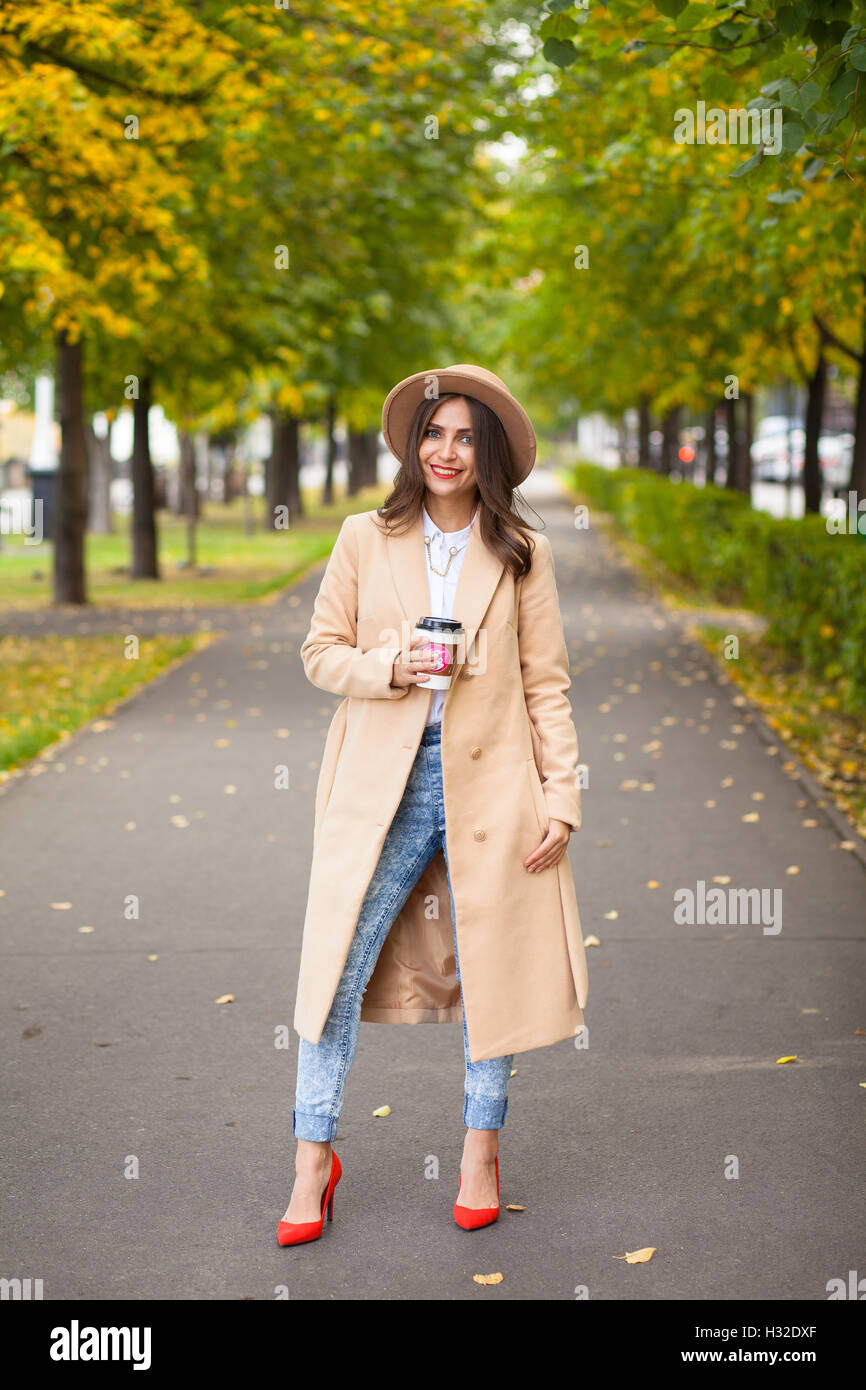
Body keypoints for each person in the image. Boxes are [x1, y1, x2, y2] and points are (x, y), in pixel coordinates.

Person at [279, 364, 588, 1245]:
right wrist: (389, 666)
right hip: (386, 784)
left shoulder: (523, 552)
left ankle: (480, 1154)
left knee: (496, 972)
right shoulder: (363, 538)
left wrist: (560, 797)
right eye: (433, 433)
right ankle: (312, 1163)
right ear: (414, 444)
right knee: (334, 970)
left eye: (464, 436)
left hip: (498, 789)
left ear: (486, 452)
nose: (446, 450)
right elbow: (319, 651)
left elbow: (548, 688)